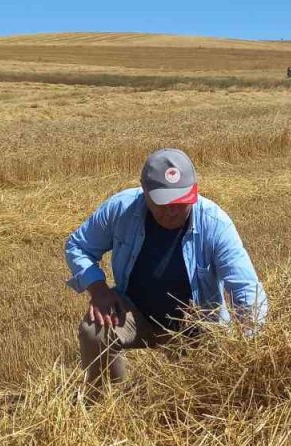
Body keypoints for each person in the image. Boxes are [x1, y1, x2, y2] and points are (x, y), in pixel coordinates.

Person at [65, 148, 268, 390]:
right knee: (95, 331)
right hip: (137, 312)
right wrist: (99, 290)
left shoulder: (215, 223)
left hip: (198, 325)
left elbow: (246, 288)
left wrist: (249, 345)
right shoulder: (121, 209)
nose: (173, 210)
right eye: (164, 203)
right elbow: (77, 245)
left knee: (198, 399)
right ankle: (109, 406)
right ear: (145, 192)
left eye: (181, 202)